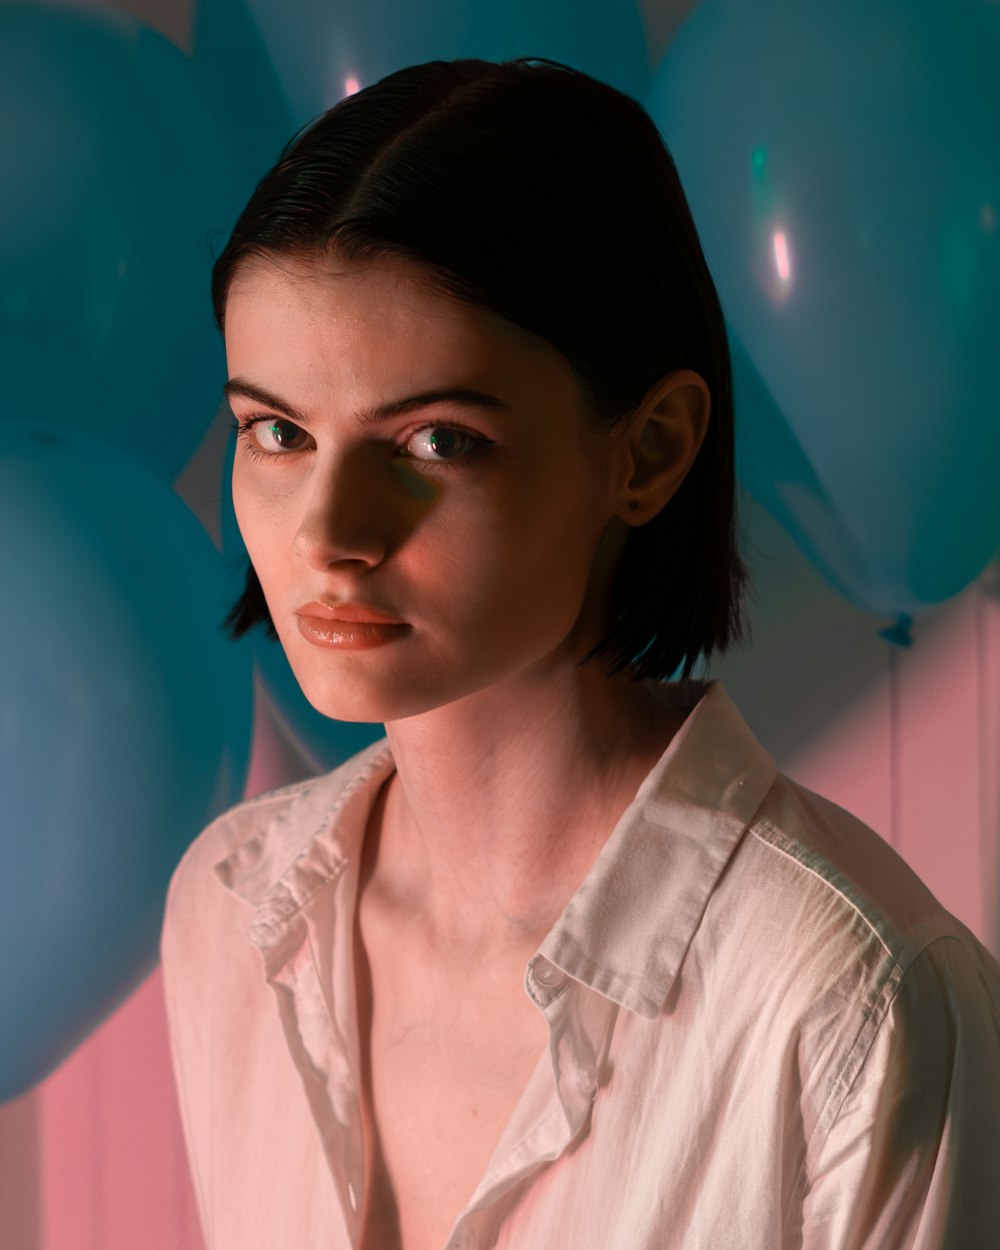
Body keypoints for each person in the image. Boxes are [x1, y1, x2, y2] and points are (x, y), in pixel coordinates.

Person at [160, 57, 1000, 1250]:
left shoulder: (853, 1005)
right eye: (278, 431)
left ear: (650, 450)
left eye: (435, 437)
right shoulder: (229, 911)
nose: (329, 535)